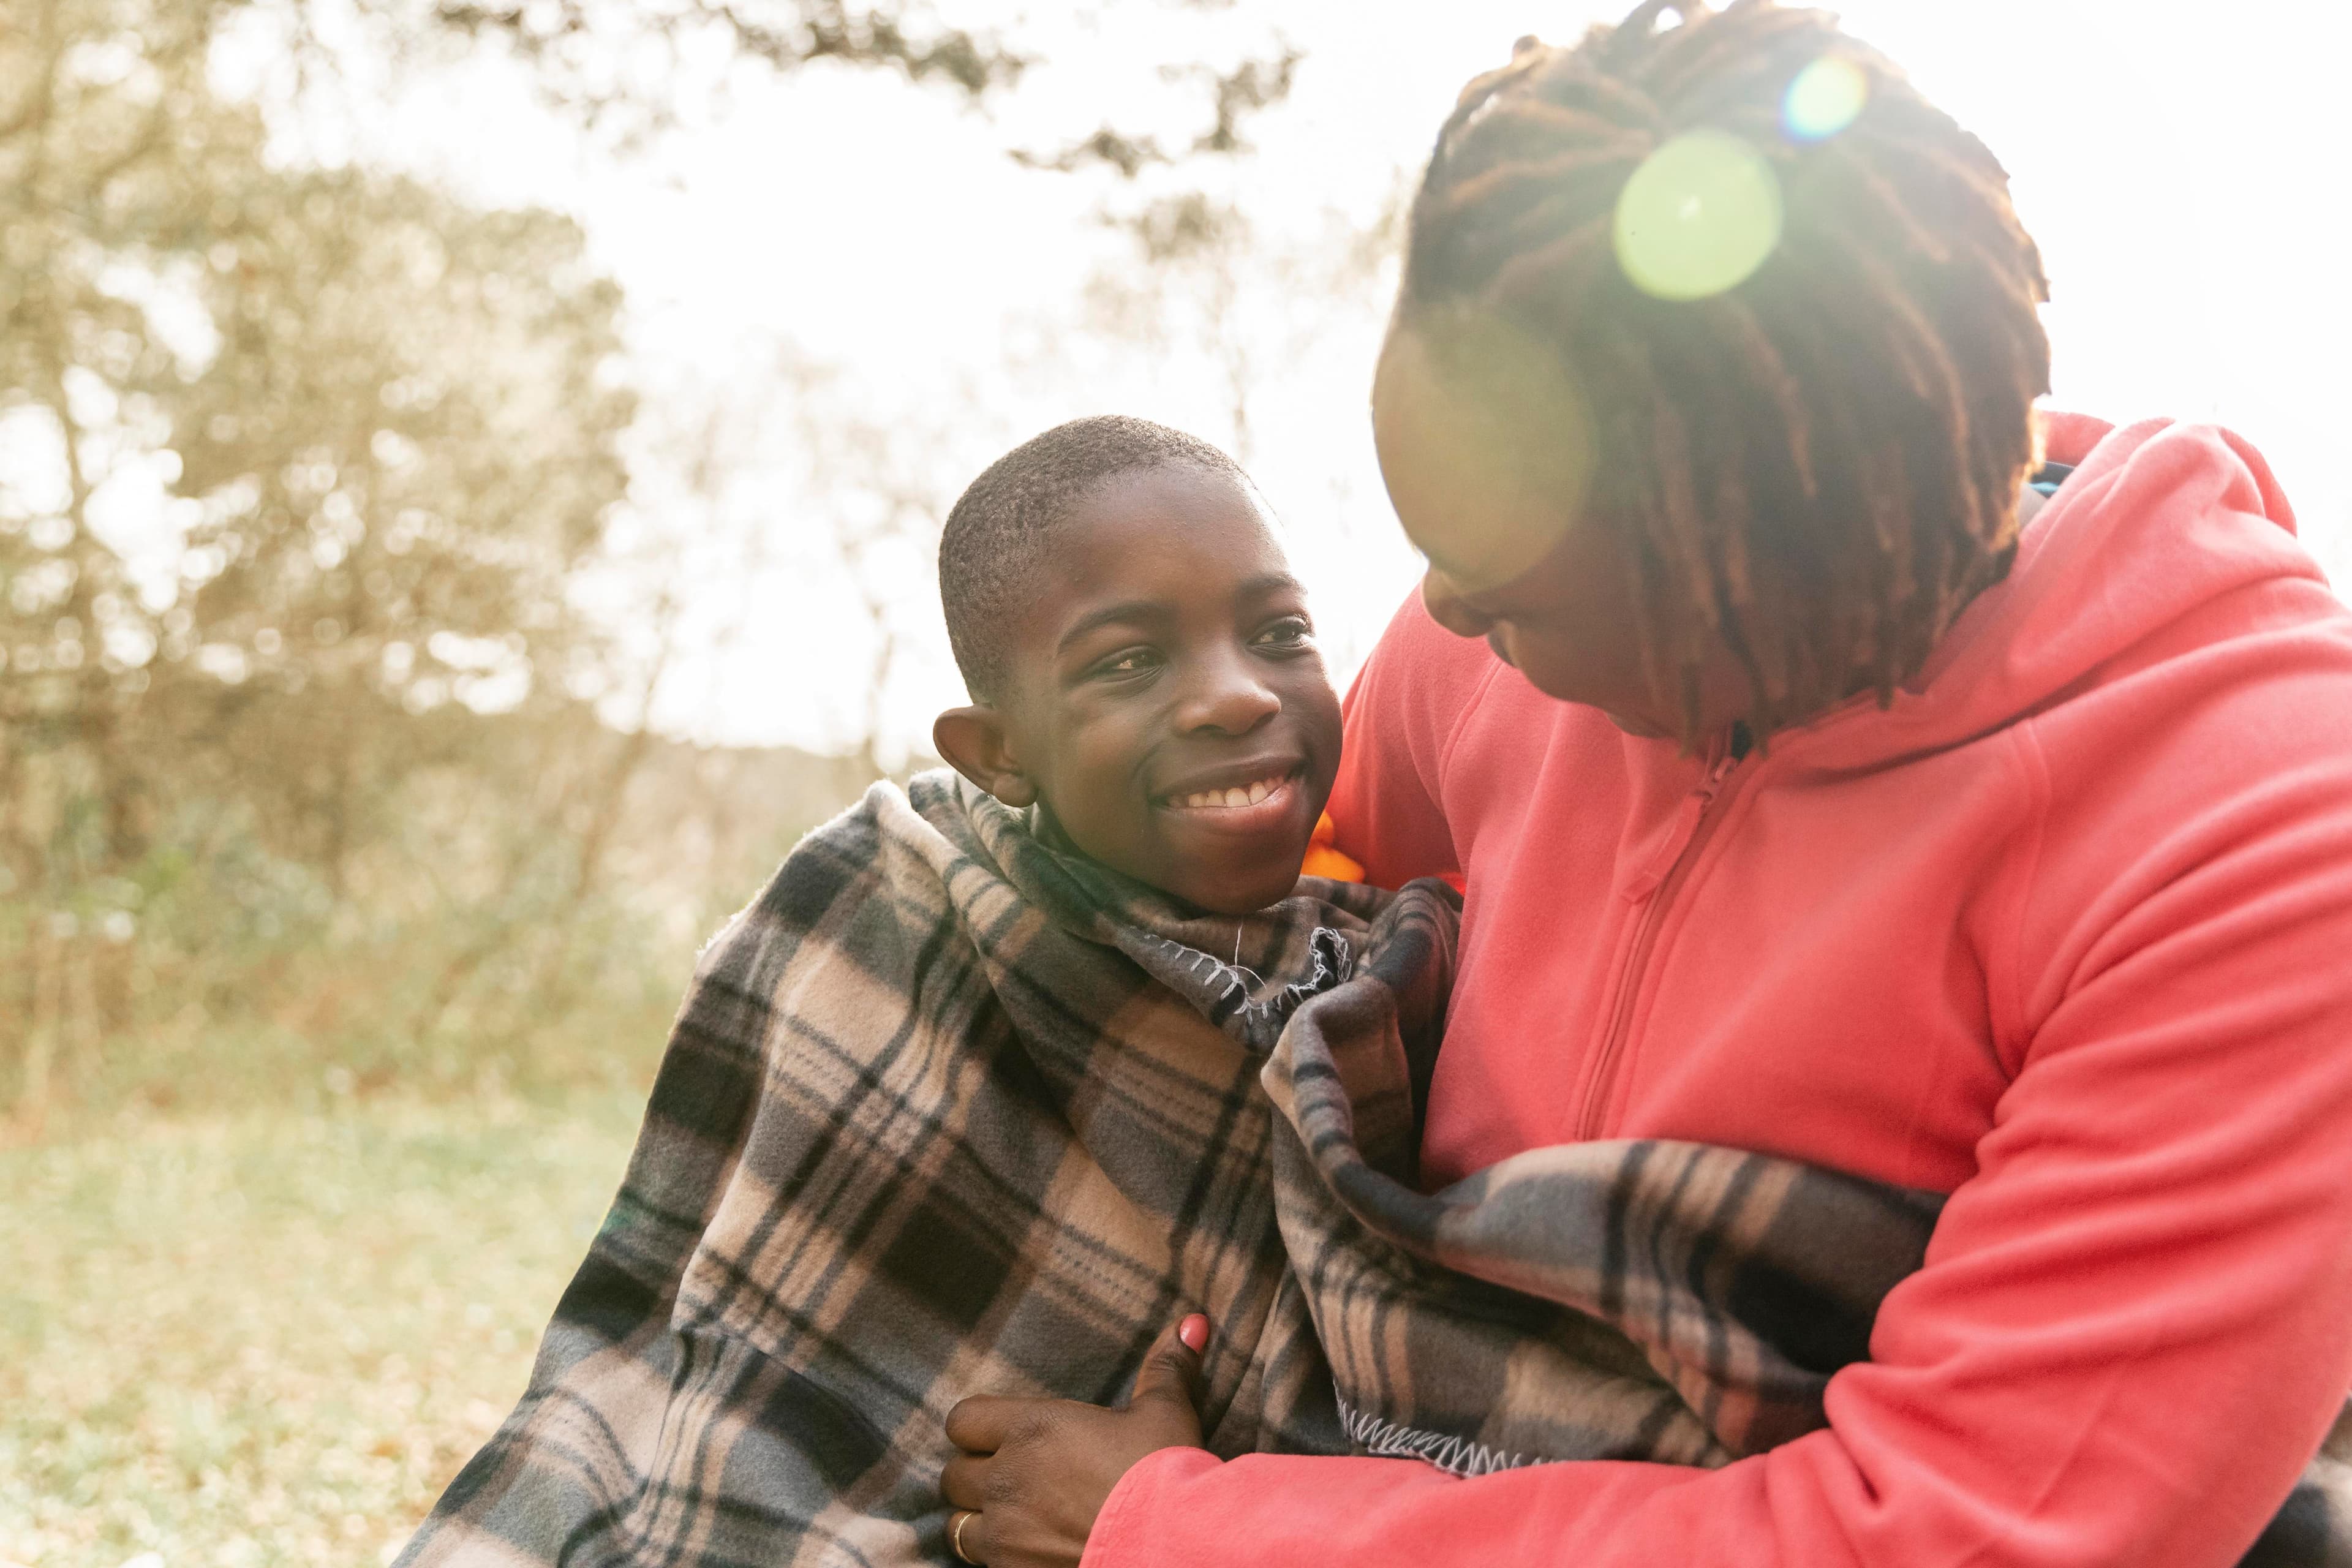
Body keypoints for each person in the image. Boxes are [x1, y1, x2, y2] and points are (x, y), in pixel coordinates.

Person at [936, 4, 2352, 1566]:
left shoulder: (2262, 844)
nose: (1443, 624)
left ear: (1754, 586)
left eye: (1511, 590)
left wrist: (1179, 1532)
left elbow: (1951, 1535)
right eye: (1434, 545)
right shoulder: (1485, 643)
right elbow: (1287, 891)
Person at [394, 415, 1371, 1568]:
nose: (1236, 696)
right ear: (996, 755)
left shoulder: (1371, 993)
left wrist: (1182, 1511)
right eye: (1126, 662)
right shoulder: (877, 902)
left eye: (1280, 632)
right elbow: (687, 1352)